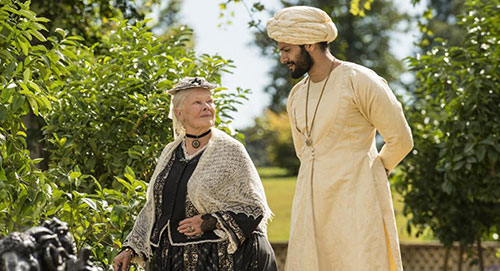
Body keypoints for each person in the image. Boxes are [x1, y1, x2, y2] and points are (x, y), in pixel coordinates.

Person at [266, 6, 414, 271]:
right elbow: (304, 153)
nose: (282, 58)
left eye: (286, 49)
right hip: (310, 207)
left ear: (309, 43)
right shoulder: (297, 95)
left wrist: (375, 172)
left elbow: (401, 139)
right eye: (280, 50)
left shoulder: (359, 80)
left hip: (357, 203)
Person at [112, 77, 277, 271]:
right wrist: (131, 249)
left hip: (220, 260)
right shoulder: (170, 153)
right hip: (171, 262)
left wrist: (208, 221)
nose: (207, 107)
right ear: (179, 113)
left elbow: (254, 208)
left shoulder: (230, 150)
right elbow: (154, 209)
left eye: (210, 101)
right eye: (198, 102)